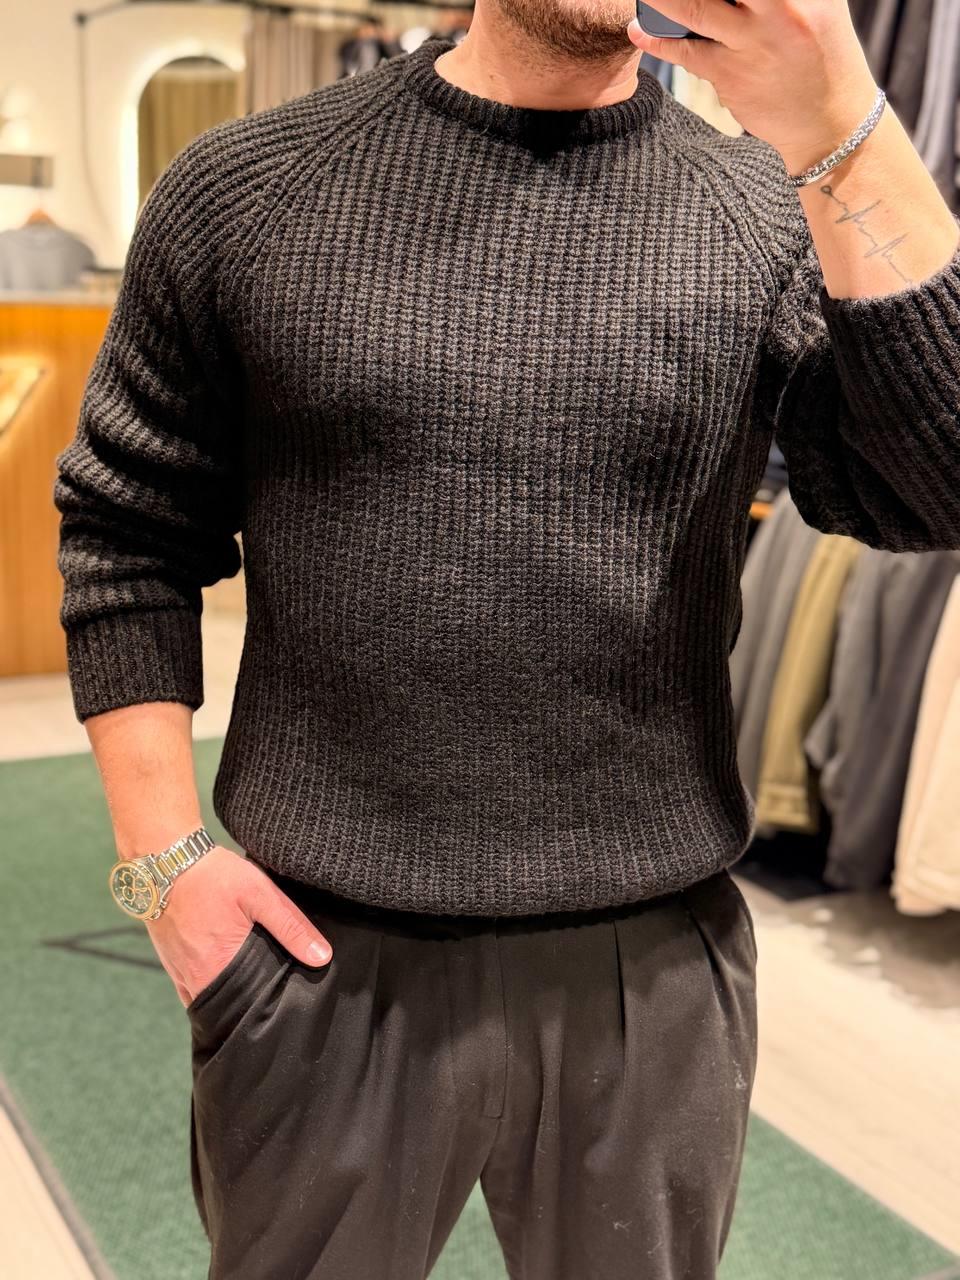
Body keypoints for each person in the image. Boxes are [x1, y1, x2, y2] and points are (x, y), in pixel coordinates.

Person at [53, 0, 960, 1274]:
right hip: (321, 955)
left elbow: (934, 493)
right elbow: (128, 527)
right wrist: (165, 866)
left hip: (654, 968)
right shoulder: (246, 187)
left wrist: (841, 123)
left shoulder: (762, 209)